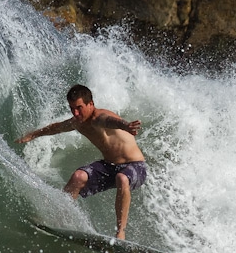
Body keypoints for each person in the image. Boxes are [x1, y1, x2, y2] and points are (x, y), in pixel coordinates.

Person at [16, 84, 146, 239]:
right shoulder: (77, 122)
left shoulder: (99, 117)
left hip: (135, 166)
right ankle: (58, 220)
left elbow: (110, 121)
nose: (75, 113)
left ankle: (120, 233)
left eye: (79, 107)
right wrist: (33, 135)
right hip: (110, 166)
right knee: (78, 176)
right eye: (72, 109)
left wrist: (125, 125)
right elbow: (56, 128)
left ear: (90, 104)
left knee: (122, 178)